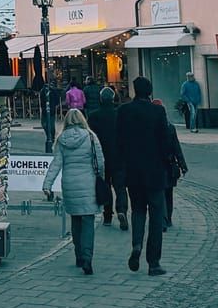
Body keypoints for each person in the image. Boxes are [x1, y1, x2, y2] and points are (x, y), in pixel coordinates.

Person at [114, 76, 173, 275]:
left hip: (133, 171)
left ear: (134, 90)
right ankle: (154, 262)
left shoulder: (123, 111)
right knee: (156, 216)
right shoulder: (158, 111)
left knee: (138, 210)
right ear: (149, 92)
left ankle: (137, 244)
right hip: (155, 172)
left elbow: (119, 142)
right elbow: (166, 143)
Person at [42, 108, 106, 275]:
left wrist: (47, 184)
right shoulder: (91, 137)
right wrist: (101, 177)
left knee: (76, 220)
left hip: (70, 184)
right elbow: (100, 161)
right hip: (88, 182)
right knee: (88, 221)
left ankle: (78, 255)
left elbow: (56, 164)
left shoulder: (62, 139)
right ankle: (87, 257)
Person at [85, 85, 122, 227]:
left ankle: (107, 216)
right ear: (113, 99)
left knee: (106, 185)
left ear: (100, 99)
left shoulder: (94, 116)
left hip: (101, 156)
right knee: (120, 186)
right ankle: (122, 209)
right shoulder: (119, 114)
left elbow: (90, 138)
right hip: (118, 156)